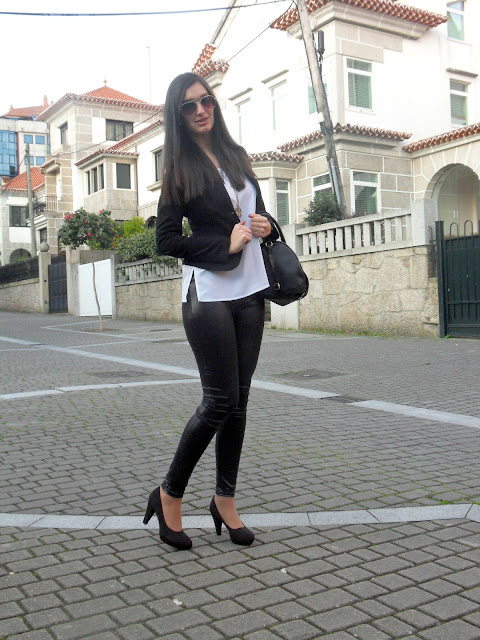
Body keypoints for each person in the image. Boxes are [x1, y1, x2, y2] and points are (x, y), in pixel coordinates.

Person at [143, 72, 278, 550]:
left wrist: (265, 225)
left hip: (251, 288)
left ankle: (224, 499)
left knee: (239, 402)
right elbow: (165, 240)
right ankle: (169, 493)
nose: (201, 110)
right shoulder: (179, 170)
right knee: (218, 401)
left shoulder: (237, 155)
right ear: (178, 116)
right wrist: (224, 245)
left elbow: (257, 212)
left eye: (206, 101)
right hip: (209, 293)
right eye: (189, 106)